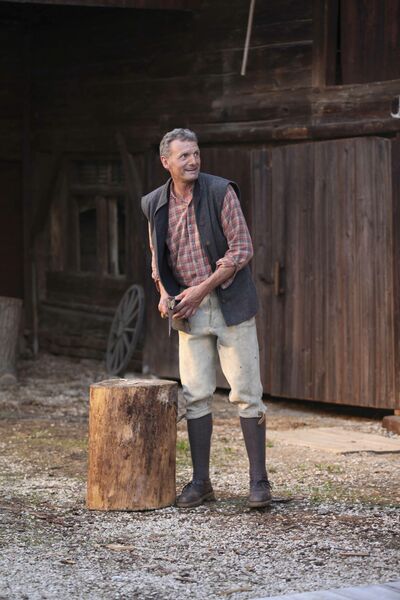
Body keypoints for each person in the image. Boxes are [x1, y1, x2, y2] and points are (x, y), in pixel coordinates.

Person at [141, 128, 271, 509]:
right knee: (196, 394)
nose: (193, 161)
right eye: (184, 155)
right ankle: (201, 483)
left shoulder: (220, 192)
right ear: (166, 162)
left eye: (196, 153)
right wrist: (164, 293)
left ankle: (259, 482)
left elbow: (242, 249)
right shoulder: (154, 204)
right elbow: (157, 258)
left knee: (246, 393)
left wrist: (201, 289)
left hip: (229, 302)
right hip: (188, 308)